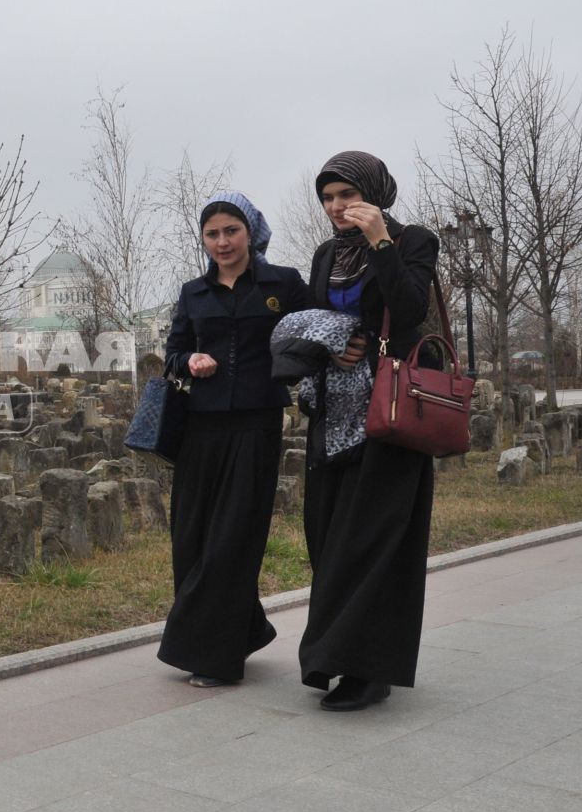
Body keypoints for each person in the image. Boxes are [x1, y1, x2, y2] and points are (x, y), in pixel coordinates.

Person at [298, 151, 441, 712]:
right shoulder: (326, 254)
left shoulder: (413, 241)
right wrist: (332, 343)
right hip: (331, 414)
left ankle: (371, 669)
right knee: (330, 539)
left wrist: (382, 241)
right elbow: (315, 320)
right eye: (328, 198)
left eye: (346, 196)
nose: (337, 208)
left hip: (388, 414)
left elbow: (409, 310)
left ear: (376, 193)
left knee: (375, 540)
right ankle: (332, 658)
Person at [158, 192, 309, 687]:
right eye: (212, 234)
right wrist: (190, 362)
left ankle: (217, 657)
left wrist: (291, 371)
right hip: (200, 428)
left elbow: (314, 334)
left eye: (231, 231)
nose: (222, 242)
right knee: (194, 537)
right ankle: (243, 629)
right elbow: (174, 354)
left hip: (255, 425)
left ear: (251, 232)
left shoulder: (282, 284)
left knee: (233, 539)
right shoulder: (193, 291)